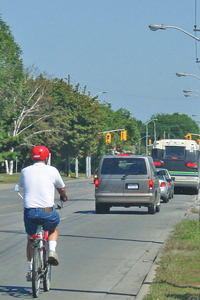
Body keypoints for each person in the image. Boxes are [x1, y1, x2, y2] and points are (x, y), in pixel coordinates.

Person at [19, 145, 67, 281]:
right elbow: (61, 188)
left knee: (31, 238)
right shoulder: (52, 171)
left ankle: (30, 269)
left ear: (31, 157)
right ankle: (52, 250)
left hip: (30, 212)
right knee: (53, 228)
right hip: (47, 211)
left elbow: (21, 186)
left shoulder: (25, 171)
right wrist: (63, 196)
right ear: (47, 157)